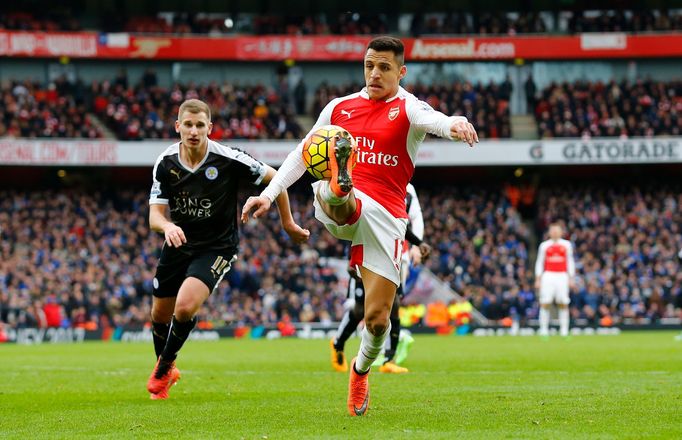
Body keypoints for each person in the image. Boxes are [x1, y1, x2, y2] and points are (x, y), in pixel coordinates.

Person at [241, 35, 478, 416]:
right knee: (337, 187)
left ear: (401, 72)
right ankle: (339, 185)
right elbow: (301, 154)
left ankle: (360, 369)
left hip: (384, 217)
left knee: (378, 319)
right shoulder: (339, 109)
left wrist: (456, 123)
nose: (375, 73)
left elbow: (434, 120)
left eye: (384, 67)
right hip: (341, 203)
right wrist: (269, 195)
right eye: (369, 65)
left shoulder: (407, 107)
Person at [146, 98, 309, 400]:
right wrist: (167, 226)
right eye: (188, 125)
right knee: (159, 314)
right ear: (177, 126)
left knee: (184, 307)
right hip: (178, 242)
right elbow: (155, 215)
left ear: (210, 127)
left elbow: (278, 179)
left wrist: (287, 222)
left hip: (216, 247)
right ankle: (166, 368)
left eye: (200, 125)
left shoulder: (229, 158)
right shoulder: (165, 162)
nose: (193, 131)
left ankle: (163, 367)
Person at [330, 183, 431, 374]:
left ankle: (388, 360)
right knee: (361, 310)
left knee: (394, 305)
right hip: (366, 251)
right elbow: (353, 221)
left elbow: (407, 222)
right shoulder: (372, 180)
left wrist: (418, 244)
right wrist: (350, 259)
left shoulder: (408, 190)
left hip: (394, 255)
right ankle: (338, 344)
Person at [534, 223, 575, 338]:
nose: (555, 232)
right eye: (553, 230)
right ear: (549, 232)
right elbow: (540, 262)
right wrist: (538, 278)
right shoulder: (544, 246)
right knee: (545, 302)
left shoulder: (566, 245)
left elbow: (570, 262)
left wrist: (571, 278)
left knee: (563, 302)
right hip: (548, 275)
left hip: (562, 275)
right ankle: (543, 330)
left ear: (561, 232)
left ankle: (564, 330)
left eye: (557, 230)